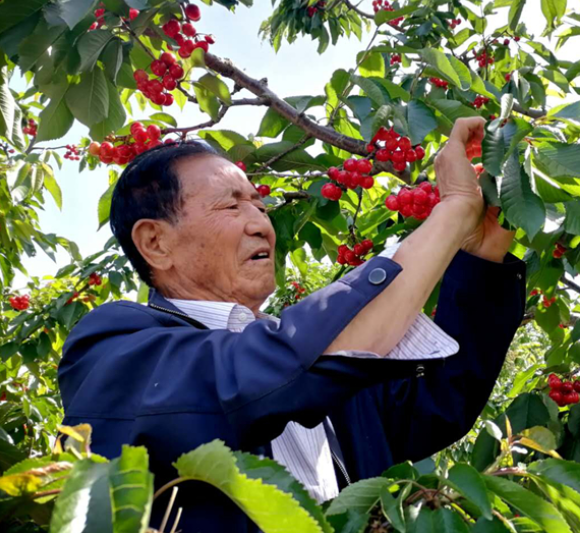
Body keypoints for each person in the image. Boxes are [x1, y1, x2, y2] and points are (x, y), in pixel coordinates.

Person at [58, 117, 526, 532]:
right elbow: (261, 373)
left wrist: (481, 250)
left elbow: (442, 399)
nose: (261, 222)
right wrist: (451, 210)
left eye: (259, 204)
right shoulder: (115, 346)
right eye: (231, 206)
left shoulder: (319, 373)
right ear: (156, 242)